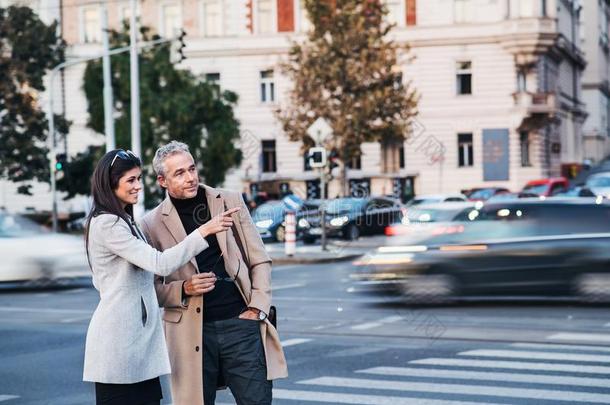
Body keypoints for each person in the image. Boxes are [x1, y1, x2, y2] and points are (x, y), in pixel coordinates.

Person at [82, 149, 239, 405]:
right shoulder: (107, 224)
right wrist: (204, 231)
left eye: (138, 179)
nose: (137, 187)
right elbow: (160, 263)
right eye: (130, 180)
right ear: (111, 184)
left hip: (137, 341)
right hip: (119, 342)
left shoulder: (124, 221)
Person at [140, 141, 288, 405]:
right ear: (162, 180)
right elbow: (149, 288)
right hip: (188, 332)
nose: (190, 178)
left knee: (257, 401)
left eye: (192, 169)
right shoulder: (150, 224)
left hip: (240, 322)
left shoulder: (229, 201)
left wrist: (257, 308)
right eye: (180, 173)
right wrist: (183, 289)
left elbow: (260, 258)